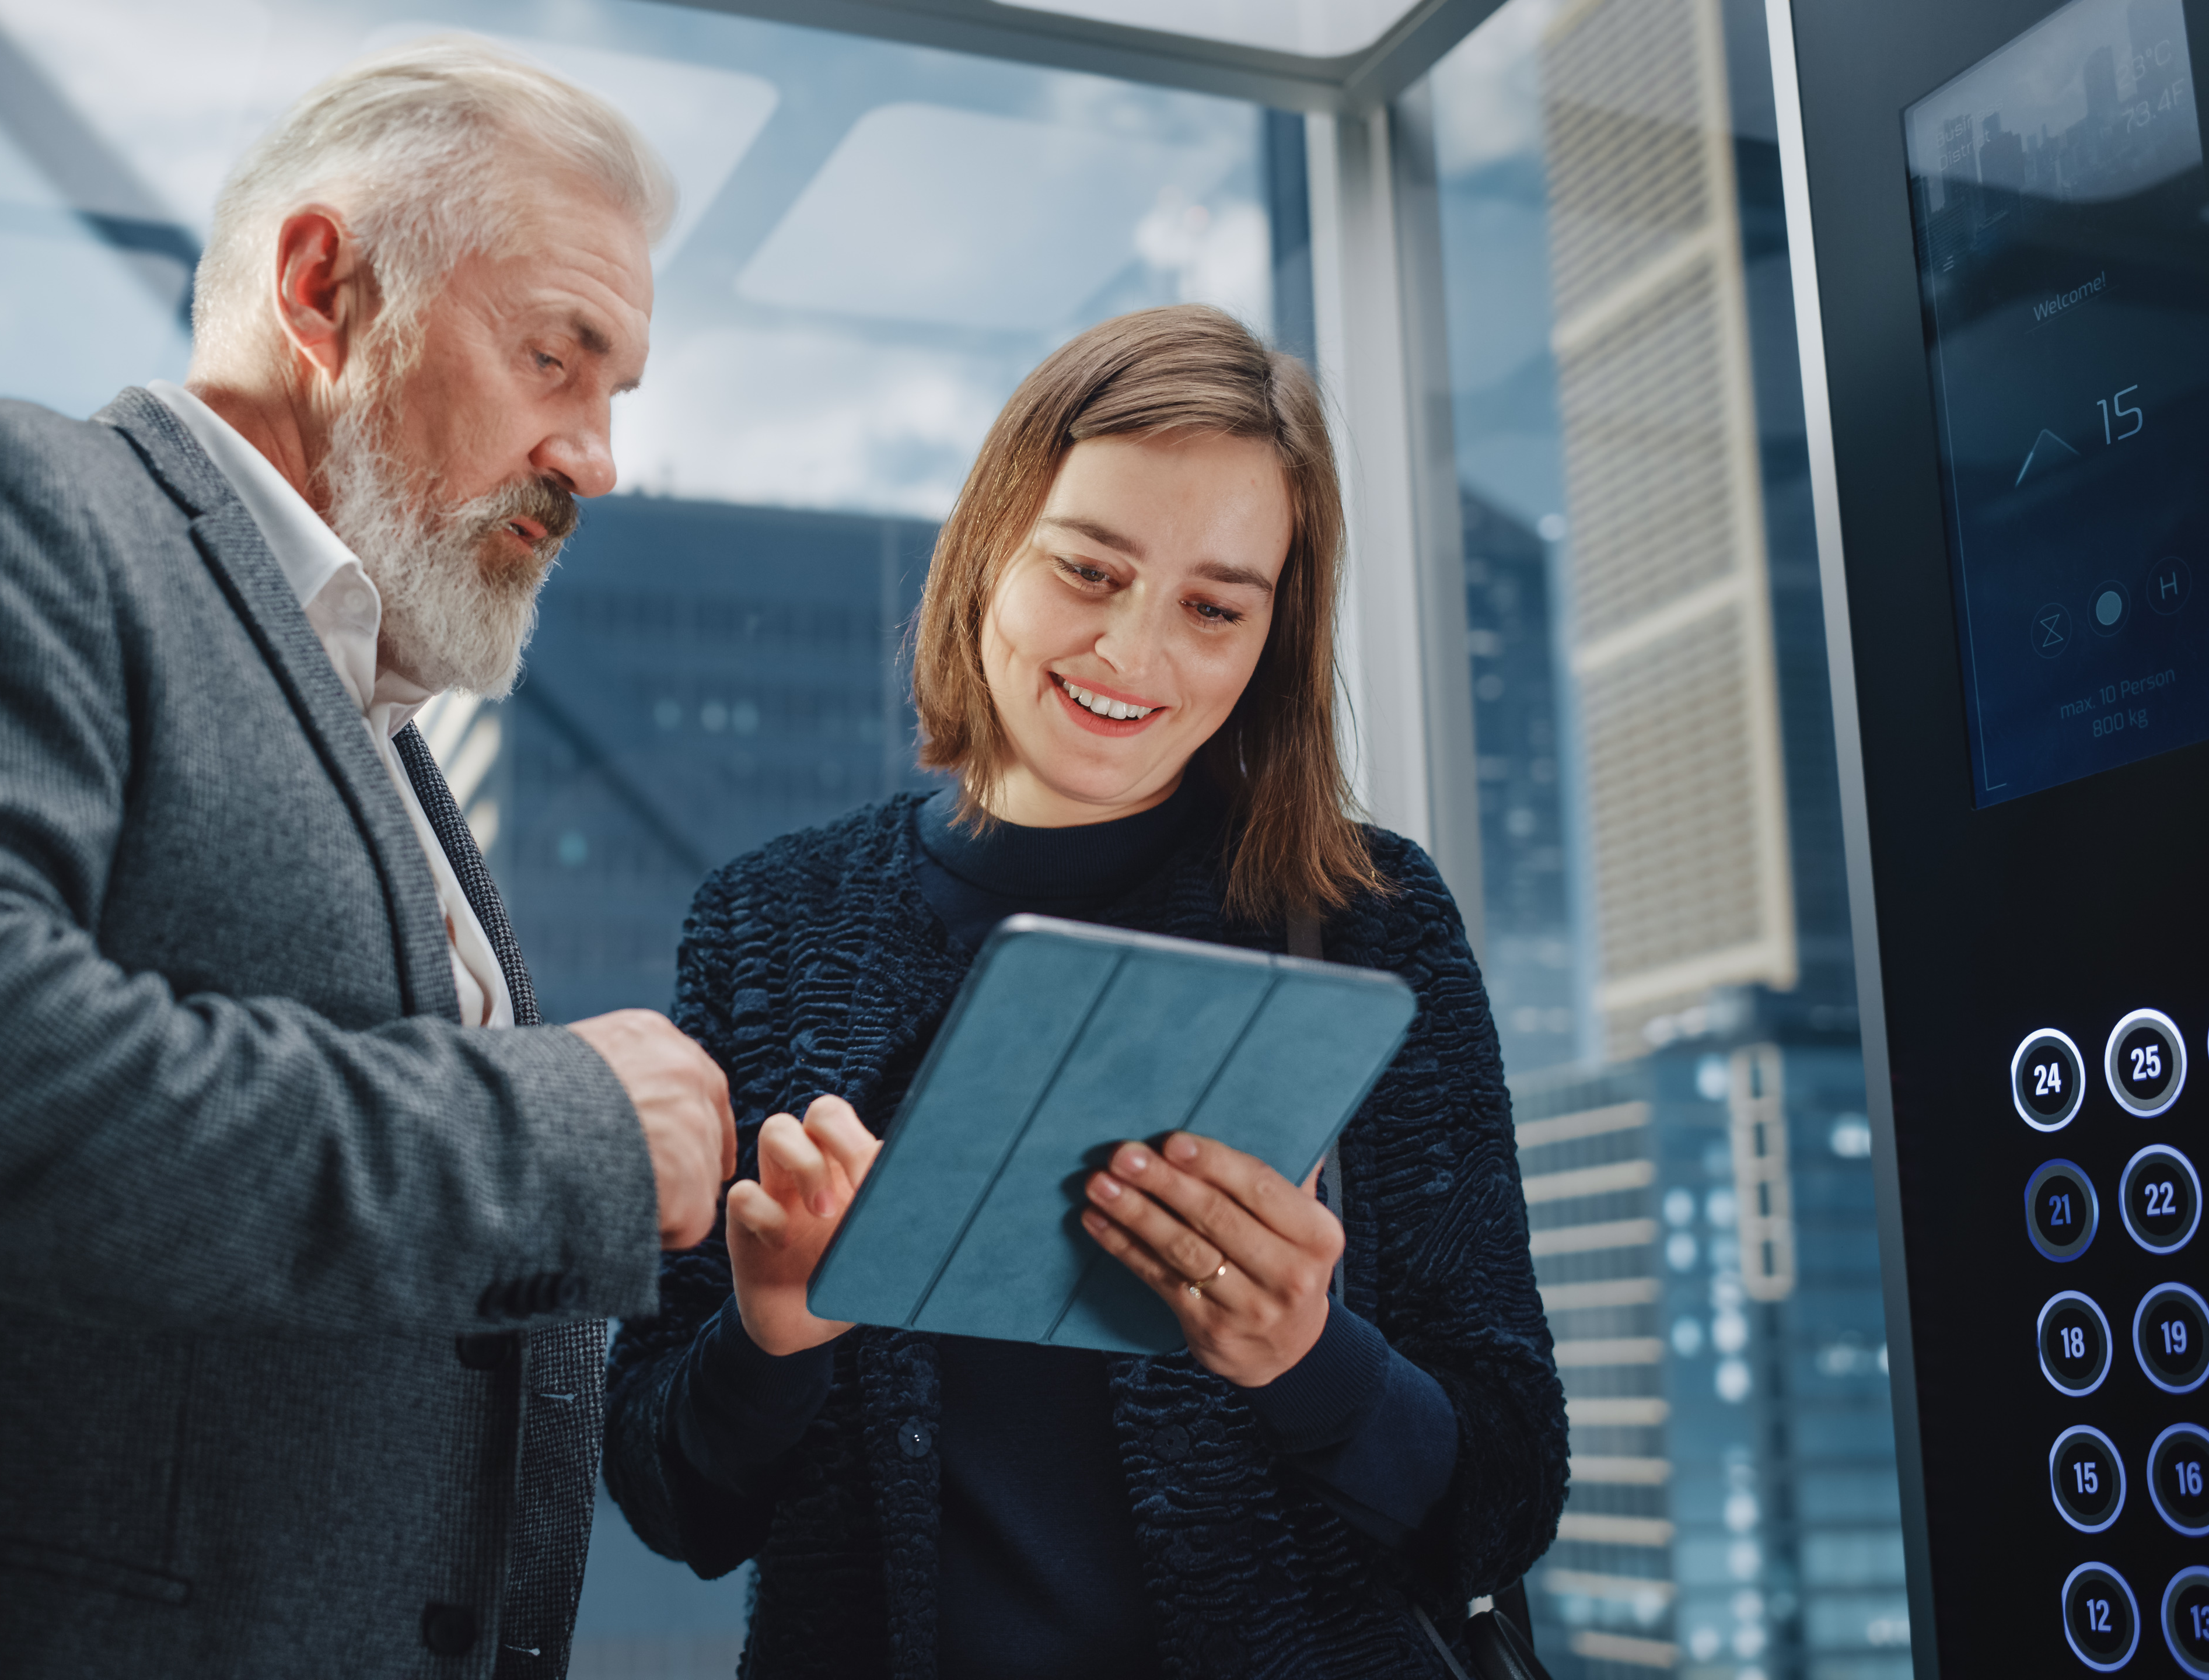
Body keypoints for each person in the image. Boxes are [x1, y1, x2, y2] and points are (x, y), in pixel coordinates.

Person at [0, 42, 738, 1680]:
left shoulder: (384, 739)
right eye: (558, 358)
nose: (597, 457)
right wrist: (564, 1128)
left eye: (615, 395)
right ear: (323, 289)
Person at [601, 305, 1568, 1678]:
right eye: (1089, 570)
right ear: (994, 543)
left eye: (1215, 609)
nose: (1134, 652)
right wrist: (773, 1336)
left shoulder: (1368, 918)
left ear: (1269, 640)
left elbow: (1503, 1499)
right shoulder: (768, 923)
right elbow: (671, 1497)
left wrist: (1311, 1361)